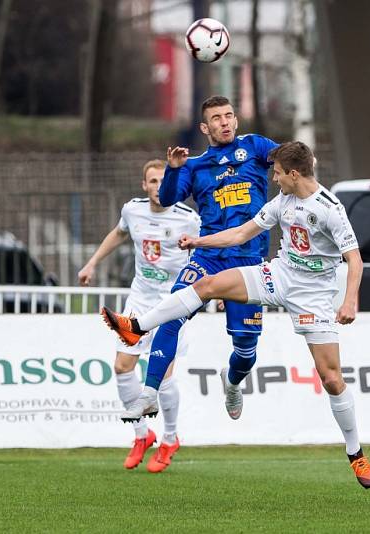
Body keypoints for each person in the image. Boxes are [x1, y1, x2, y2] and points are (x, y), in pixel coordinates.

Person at [102, 141, 370, 489]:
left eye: (277, 173)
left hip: (314, 296)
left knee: (332, 379)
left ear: (294, 174)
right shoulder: (283, 201)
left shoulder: (329, 209)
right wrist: (199, 243)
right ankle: (136, 326)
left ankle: (356, 454)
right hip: (278, 276)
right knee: (208, 284)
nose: (273, 178)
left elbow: (354, 258)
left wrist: (349, 300)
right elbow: (241, 233)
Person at [108, 95, 279, 423]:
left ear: (236, 120)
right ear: (205, 127)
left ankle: (232, 381)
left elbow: (288, 159)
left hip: (248, 262)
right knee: (173, 312)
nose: (225, 122)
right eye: (217, 118)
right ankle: (148, 394)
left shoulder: (255, 146)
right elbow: (169, 197)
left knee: (245, 348)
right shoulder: (196, 166)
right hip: (209, 257)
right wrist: (172, 171)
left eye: (229, 116)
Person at [78, 159, 200, 473]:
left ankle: (170, 439)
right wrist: (92, 264)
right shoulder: (132, 210)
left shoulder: (189, 218)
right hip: (141, 299)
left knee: (164, 376)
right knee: (121, 367)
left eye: (164, 181)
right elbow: (118, 234)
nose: (159, 188)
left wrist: (216, 290)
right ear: (144, 186)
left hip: (174, 302)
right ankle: (141, 435)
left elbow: (207, 251)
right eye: (153, 182)